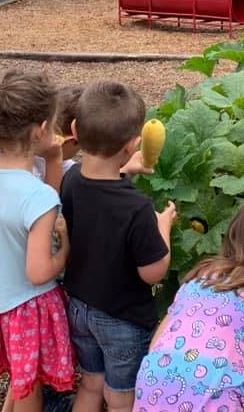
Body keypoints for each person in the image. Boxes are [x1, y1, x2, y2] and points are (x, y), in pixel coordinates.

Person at [0, 70, 76, 412]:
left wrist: (53, 160)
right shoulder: (39, 197)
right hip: (28, 304)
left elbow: (35, 210)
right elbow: (39, 271)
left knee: (21, 377)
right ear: (41, 129)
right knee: (30, 391)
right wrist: (66, 250)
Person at [61, 81, 176, 412]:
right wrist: (163, 226)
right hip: (121, 319)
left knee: (91, 384)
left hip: (79, 307)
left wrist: (124, 169)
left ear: (75, 130)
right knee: (121, 397)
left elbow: (98, 191)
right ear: (133, 145)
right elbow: (153, 273)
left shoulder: (70, 180)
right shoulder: (137, 207)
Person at [133, 197, 244, 412]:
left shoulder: (202, 277)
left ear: (232, 235)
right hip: (217, 394)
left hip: (155, 379)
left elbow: (156, 344)